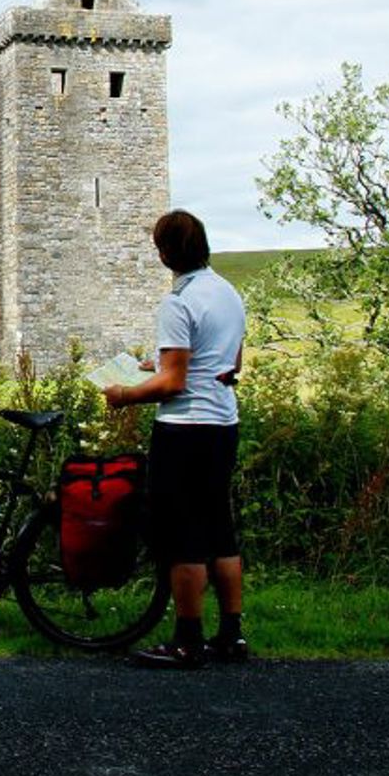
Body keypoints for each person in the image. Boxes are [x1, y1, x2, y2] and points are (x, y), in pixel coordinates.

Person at [103, 209, 248, 669]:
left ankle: (187, 641)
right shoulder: (227, 293)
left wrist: (124, 394)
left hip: (185, 429)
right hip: (224, 423)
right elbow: (231, 362)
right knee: (220, 532)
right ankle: (231, 636)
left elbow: (175, 384)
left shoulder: (177, 303)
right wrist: (160, 366)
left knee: (182, 536)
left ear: (165, 253)